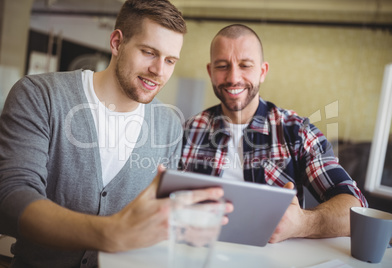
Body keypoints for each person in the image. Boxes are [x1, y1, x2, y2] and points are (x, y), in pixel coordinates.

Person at [0, 1, 229, 267]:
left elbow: (161, 215)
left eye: (170, 60)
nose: (159, 70)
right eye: (148, 52)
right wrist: (109, 233)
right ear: (117, 43)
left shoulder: (169, 125)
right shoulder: (40, 96)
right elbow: (12, 197)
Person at [180, 24, 368, 244]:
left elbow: (356, 209)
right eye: (222, 66)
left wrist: (303, 223)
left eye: (245, 65)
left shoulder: (297, 132)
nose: (233, 77)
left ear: (262, 72)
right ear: (210, 72)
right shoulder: (189, 130)